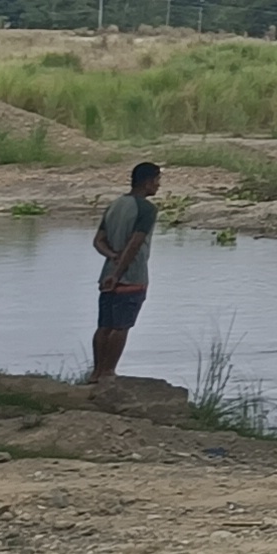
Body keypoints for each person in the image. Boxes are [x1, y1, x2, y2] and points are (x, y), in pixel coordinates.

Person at [91, 161, 162, 386]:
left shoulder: (114, 205)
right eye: (158, 180)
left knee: (104, 326)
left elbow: (98, 241)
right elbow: (135, 243)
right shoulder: (147, 209)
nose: (158, 186)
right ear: (148, 181)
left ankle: (96, 373)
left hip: (107, 275)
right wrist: (120, 270)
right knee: (121, 327)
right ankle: (109, 372)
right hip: (131, 277)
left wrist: (112, 257)